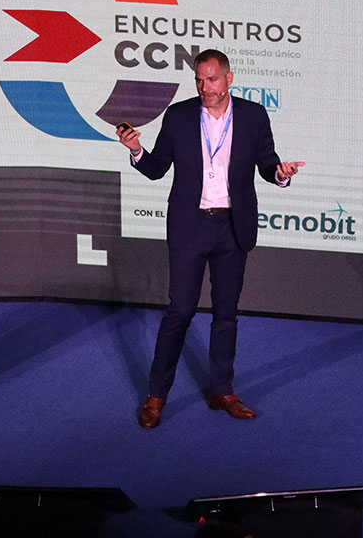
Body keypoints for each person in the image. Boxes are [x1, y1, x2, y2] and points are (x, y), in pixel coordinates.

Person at [118, 49, 303, 427]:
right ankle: (156, 397)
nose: (205, 87)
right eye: (200, 80)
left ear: (229, 79)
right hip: (190, 227)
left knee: (226, 315)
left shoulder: (253, 116)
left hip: (232, 228)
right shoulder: (179, 115)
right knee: (181, 311)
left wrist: (281, 174)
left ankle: (223, 391)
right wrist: (136, 150)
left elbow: (268, 164)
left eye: (212, 79)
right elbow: (157, 168)